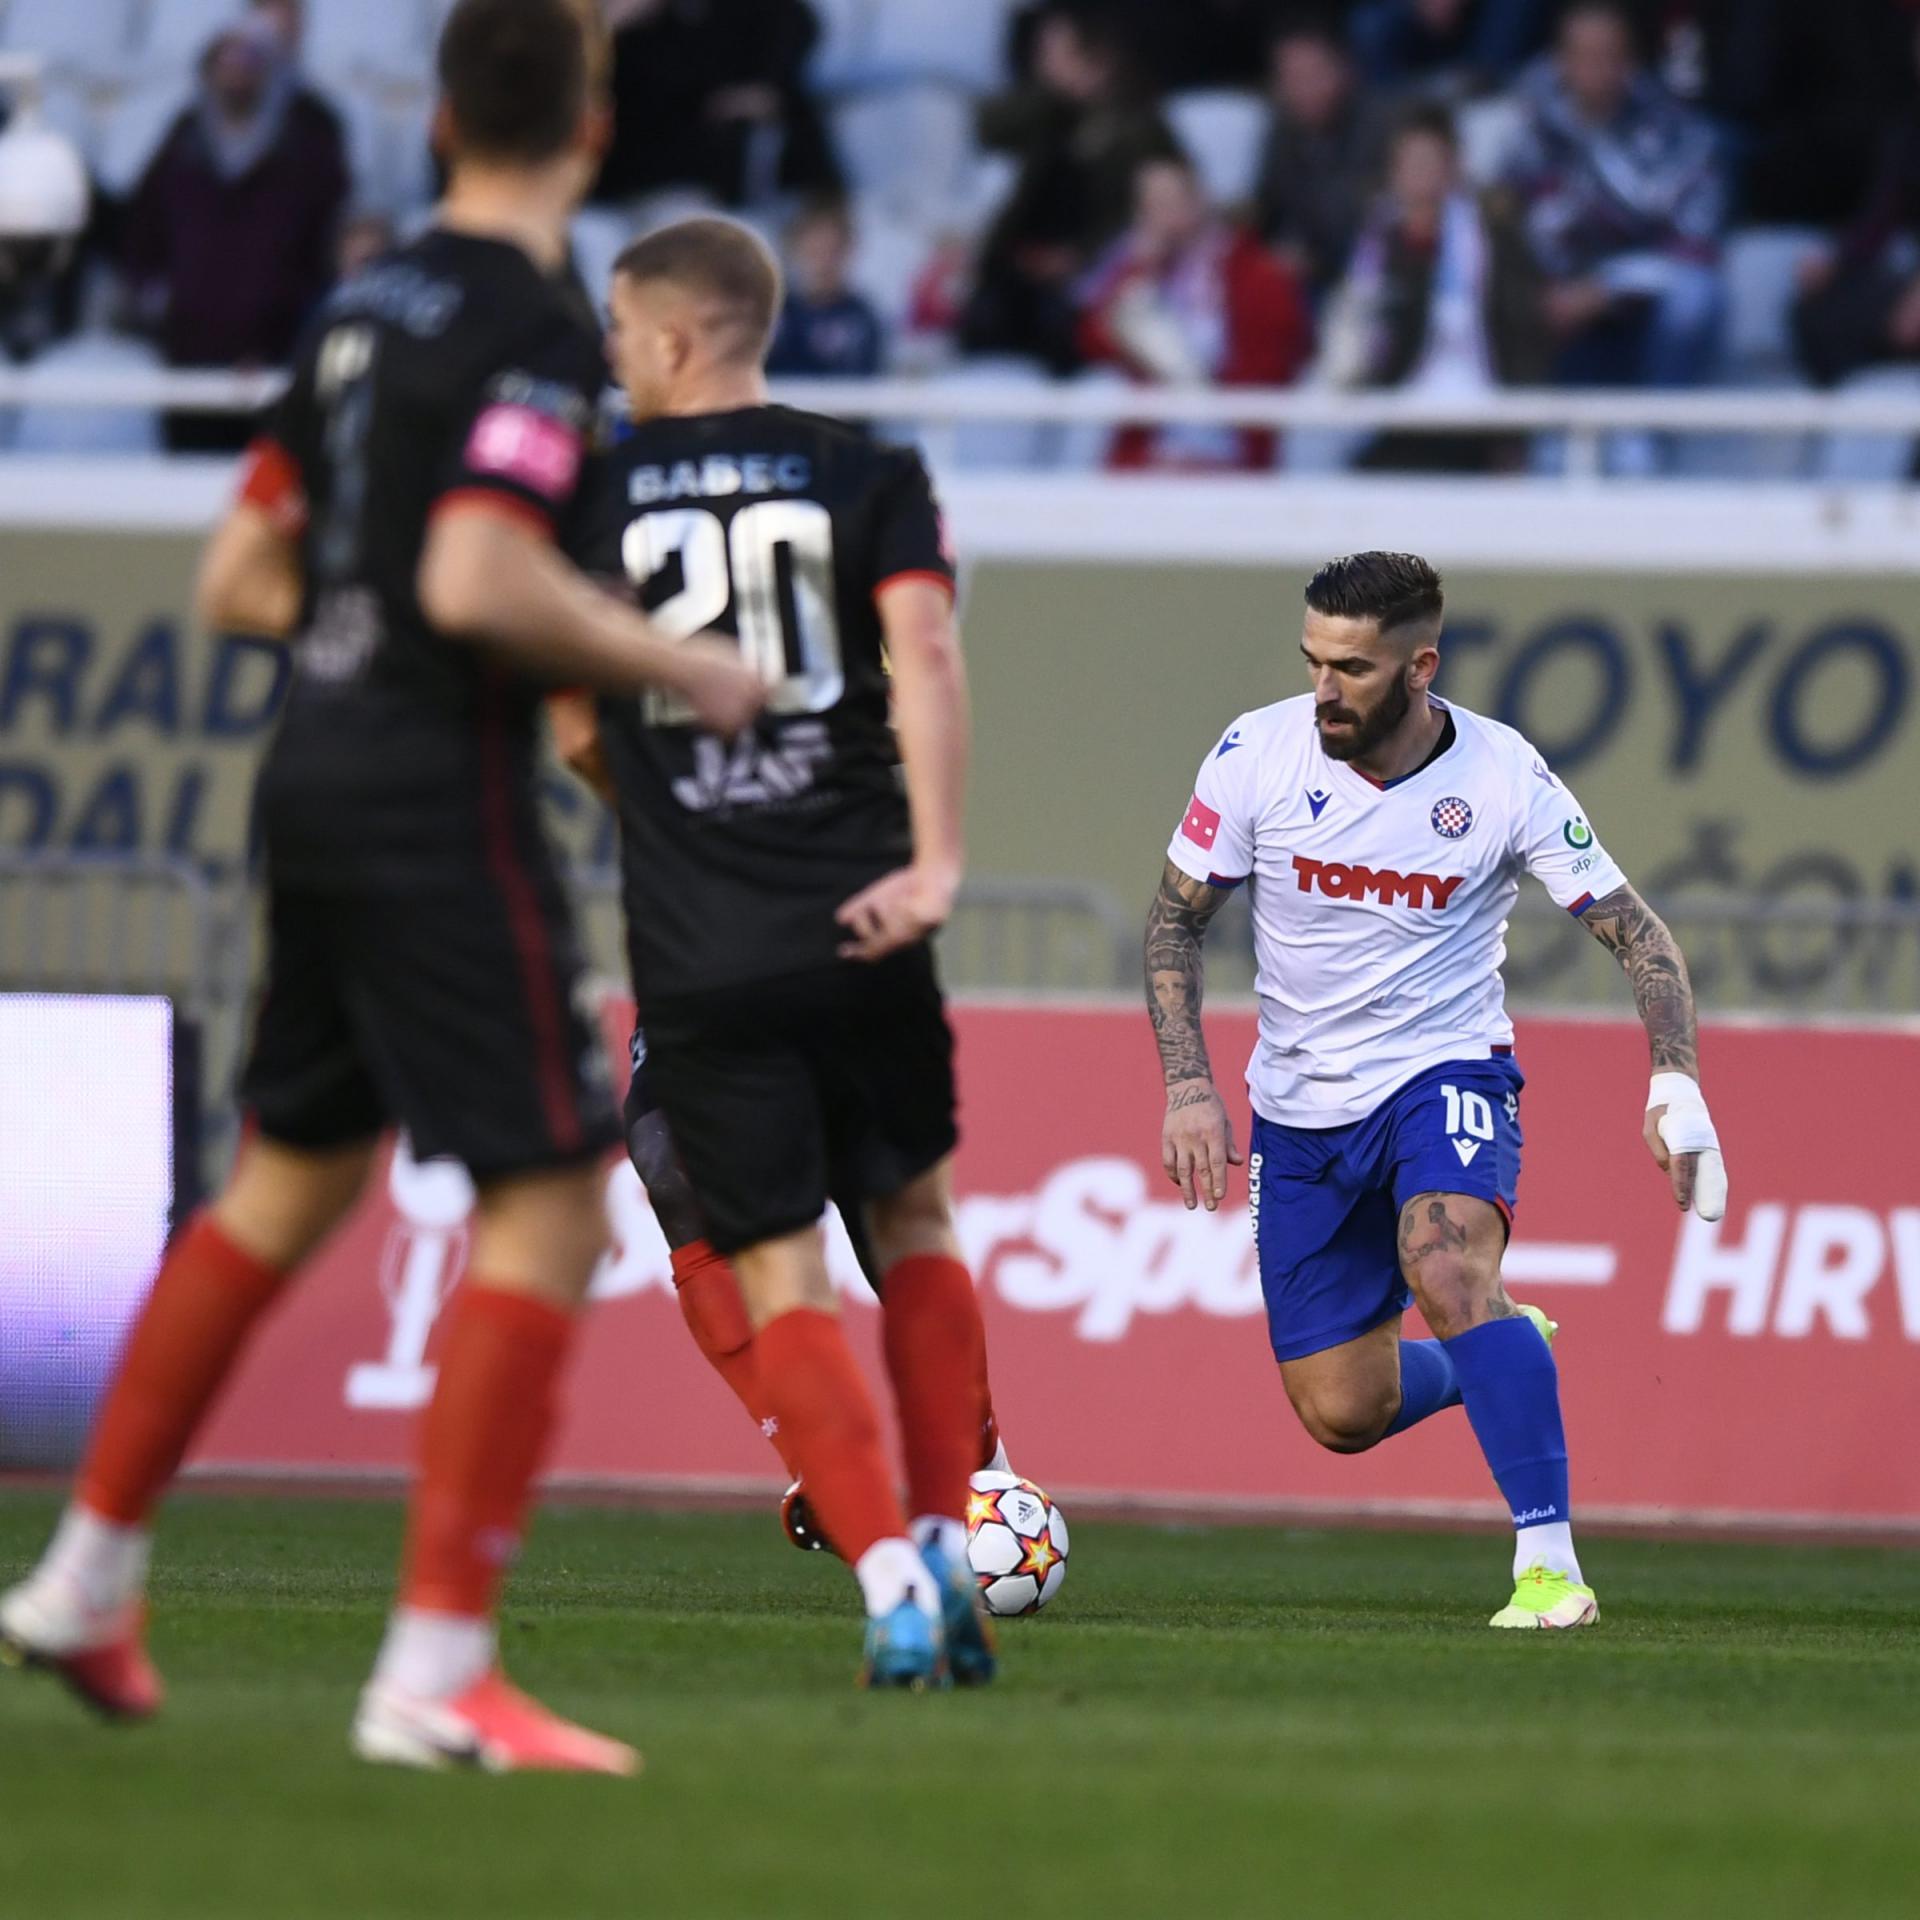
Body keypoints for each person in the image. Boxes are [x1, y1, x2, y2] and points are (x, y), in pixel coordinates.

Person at [0, 0, 764, 1775]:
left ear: (431, 123)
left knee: (280, 1189)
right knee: (557, 1201)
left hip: (311, 766)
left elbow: (240, 574)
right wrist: (674, 661)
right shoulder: (529, 328)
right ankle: (435, 1669)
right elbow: (483, 569)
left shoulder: (359, 307)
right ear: (587, 135)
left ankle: (87, 1576)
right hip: (434, 787)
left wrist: (384, 621)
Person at [566, 216, 1000, 1690]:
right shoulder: (873, 475)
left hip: (708, 948)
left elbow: (571, 722)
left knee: (779, 1275)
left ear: (678, 337)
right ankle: (951, 1541)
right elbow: (928, 657)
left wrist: (677, 819)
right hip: (863, 913)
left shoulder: (597, 493)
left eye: (621, 332)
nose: (613, 358)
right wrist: (935, 863)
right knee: (918, 1228)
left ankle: (886, 1578)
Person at [1144, 550, 1728, 1628]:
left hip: (1444, 1070)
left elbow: (1634, 929)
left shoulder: (1504, 775)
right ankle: (1500, 1350)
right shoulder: (1254, 753)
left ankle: (1548, 1568)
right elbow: (1177, 916)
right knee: (1342, 1412)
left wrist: (1675, 1080)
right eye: (1313, 661)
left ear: (1420, 668)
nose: (1324, 689)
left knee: (1443, 1258)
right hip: (1301, 1109)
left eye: (1353, 669)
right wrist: (1190, 1081)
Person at [123, 19, 350, 452]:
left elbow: (321, 247)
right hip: (188, 348)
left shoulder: (306, 143)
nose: (235, 71)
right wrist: (156, 299)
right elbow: (143, 230)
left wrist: (291, 328)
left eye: (247, 60)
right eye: (223, 60)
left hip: (274, 352)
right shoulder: (183, 138)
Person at [1499, 3, 1725, 406]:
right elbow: (1506, 220)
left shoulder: (1675, 131)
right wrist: (1543, 289)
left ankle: (1655, 430)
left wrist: (1607, 290)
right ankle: (1531, 434)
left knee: (1696, 296)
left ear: (1629, 62)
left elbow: (1696, 247)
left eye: (1609, 56)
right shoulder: (1531, 129)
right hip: (1557, 309)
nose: (1596, 69)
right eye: (1583, 55)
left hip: (1642, 312)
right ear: (1560, 61)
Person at [1316, 105, 1548, 470]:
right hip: (1389, 416)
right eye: (1409, 163)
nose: (1420, 174)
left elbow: (1522, 336)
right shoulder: (1372, 244)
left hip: (1476, 420)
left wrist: (1514, 435)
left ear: (1454, 168)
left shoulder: (1494, 240)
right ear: (1392, 172)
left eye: (1430, 162)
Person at [961, 5, 1178, 374]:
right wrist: (1055, 98)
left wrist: (1078, 256)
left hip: (1093, 276)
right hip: (1023, 271)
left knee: (1058, 327)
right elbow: (985, 128)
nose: (1043, 64)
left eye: (1055, 54)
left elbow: (1145, 211)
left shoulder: (1139, 126)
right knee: (982, 319)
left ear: (1097, 60)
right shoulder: (1046, 113)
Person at [1077, 151, 1311, 471]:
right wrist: (1139, 269)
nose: (1164, 215)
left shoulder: (1254, 272)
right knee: (1091, 396)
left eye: (1173, 200)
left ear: (1201, 198)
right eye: (1152, 205)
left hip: (1229, 439)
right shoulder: (1138, 266)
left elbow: (1275, 362)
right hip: (1154, 437)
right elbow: (1093, 340)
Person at [1252, 18, 1391, 299]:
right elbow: (1269, 212)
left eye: (1315, 74)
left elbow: (1362, 217)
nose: (1306, 89)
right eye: (1292, 78)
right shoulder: (1281, 131)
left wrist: (1312, 257)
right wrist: (1283, 248)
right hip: (1310, 280)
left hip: (1374, 270)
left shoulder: (1380, 125)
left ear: (1344, 71)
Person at [766, 198, 885, 379]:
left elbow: (864, 385)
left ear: (848, 251)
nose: (823, 261)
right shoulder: (772, 313)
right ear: (795, 248)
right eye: (815, 249)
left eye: (832, 249)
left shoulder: (862, 319)